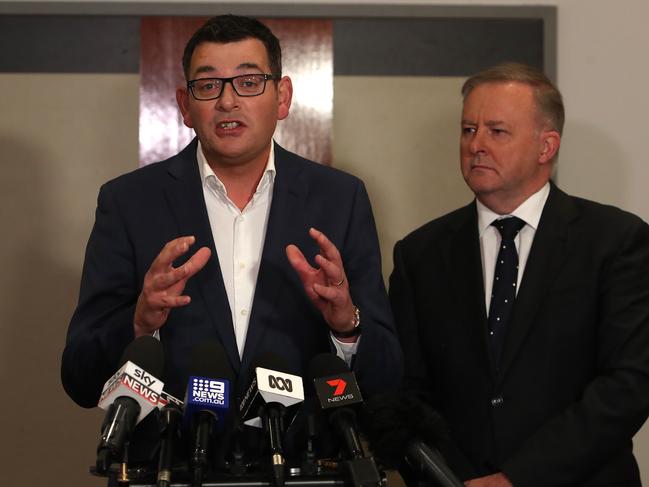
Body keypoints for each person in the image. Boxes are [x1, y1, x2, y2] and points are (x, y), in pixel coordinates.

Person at [62, 14, 401, 464]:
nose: (227, 101)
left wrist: (347, 326)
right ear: (185, 105)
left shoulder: (340, 199)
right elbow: (80, 378)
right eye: (208, 86)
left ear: (283, 97)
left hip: (305, 464)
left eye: (248, 82)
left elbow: (389, 380)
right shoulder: (129, 202)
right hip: (172, 465)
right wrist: (140, 323)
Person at [389, 62, 649, 486]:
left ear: (546, 146)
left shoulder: (616, 242)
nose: (476, 145)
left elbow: (629, 385)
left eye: (497, 131)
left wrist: (517, 478)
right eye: (468, 129)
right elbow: (409, 394)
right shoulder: (420, 253)